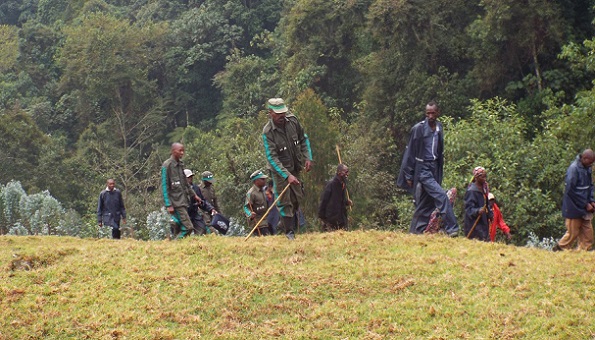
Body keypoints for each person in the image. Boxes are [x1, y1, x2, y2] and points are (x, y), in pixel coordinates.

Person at [397, 101, 459, 236]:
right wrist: (408, 174)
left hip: (434, 167)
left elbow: (439, 151)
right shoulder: (418, 129)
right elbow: (410, 152)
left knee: (426, 203)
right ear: (426, 114)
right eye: (428, 113)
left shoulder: (439, 128)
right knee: (441, 195)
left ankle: (415, 232)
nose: (430, 116)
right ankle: (452, 228)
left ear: (438, 113)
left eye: (433, 113)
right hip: (423, 168)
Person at [262, 97, 313, 240]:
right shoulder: (268, 132)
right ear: (270, 113)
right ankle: (289, 231)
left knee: (297, 197)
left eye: (283, 113)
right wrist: (286, 175)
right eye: (278, 114)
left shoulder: (293, 121)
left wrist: (308, 157)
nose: (281, 116)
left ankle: (288, 223)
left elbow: (304, 138)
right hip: (279, 172)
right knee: (285, 201)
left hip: (295, 167)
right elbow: (272, 158)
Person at [553, 149, 595, 251]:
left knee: (588, 233)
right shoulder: (573, 169)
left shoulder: (587, 168)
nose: (592, 164)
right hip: (573, 206)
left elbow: (590, 186)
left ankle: (584, 251)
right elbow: (570, 190)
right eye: (590, 162)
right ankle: (559, 249)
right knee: (573, 233)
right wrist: (585, 204)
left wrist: (591, 200)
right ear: (584, 158)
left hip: (585, 207)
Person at [161, 143, 202, 238]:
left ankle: (174, 245)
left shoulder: (180, 165)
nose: (182, 153)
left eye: (183, 151)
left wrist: (194, 195)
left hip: (183, 201)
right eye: (180, 150)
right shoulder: (167, 165)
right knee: (188, 227)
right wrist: (168, 204)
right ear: (173, 151)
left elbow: (186, 184)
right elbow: (164, 186)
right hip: (175, 202)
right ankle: (176, 243)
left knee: (178, 227)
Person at [318, 164, 353, 231]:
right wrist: (322, 217)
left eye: (348, 172)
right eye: (345, 172)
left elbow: (340, 200)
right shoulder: (331, 184)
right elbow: (324, 200)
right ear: (339, 172)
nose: (347, 174)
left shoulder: (343, 184)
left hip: (341, 219)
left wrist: (346, 202)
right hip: (331, 219)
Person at [464, 167, 493, 241]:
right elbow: (468, 209)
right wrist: (477, 211)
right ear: (476, 177)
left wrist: (490, 214)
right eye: (482, 176)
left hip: (483, 222)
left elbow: (487, 204)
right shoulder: (471, 191)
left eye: (485, 176)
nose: (484, 178)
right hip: (474, 224)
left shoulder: (484, 189)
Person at [184, 169, 217, 235]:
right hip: (184, 213)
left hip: (194, 213)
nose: (190, 179)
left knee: (201, 229)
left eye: (191, 177)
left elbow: (202, 201)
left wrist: (211, 209)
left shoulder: (196, 188)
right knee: (186, 230)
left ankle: (199, 243)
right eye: (188, 177)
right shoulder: (179, 189)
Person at [244, 170, 272, 236]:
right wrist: (250, 214)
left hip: (267, 221)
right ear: (256, 181)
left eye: (264, 179)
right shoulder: (251, 193)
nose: (264, 180)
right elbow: (246, 207)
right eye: (262, 179)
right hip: (259, 224)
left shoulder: (264, 190)